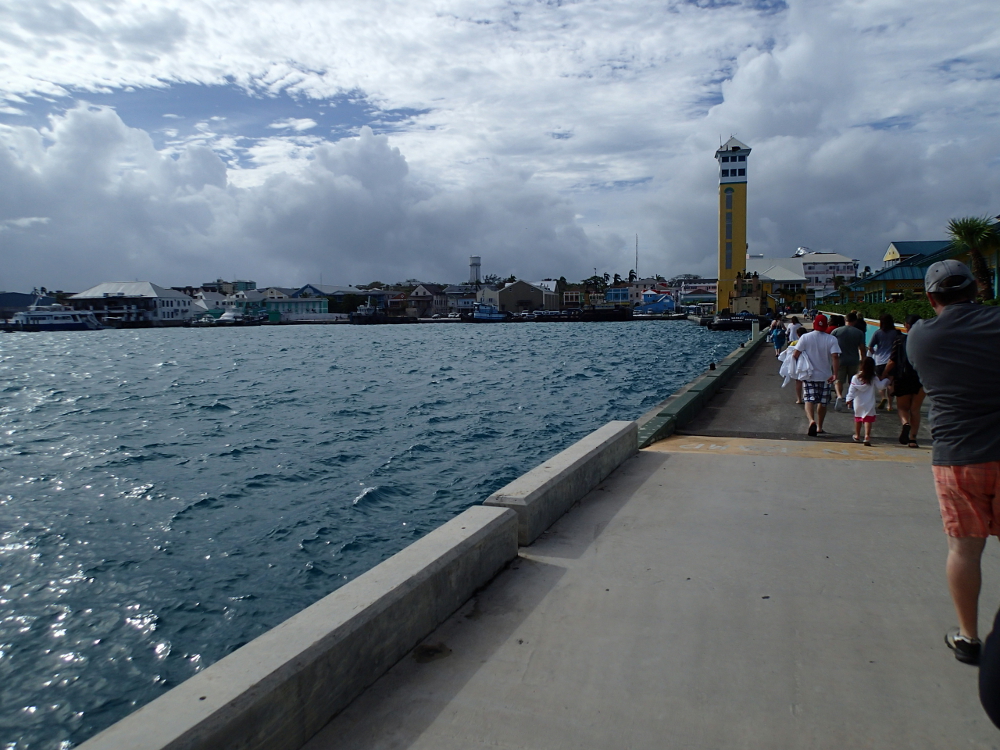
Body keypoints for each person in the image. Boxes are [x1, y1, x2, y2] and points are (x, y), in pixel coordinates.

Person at [907, 259, 1000, 666]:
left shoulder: (921, 338)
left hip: (957, 456)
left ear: (931, 297)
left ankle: (968, 637)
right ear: (976, 289)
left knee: (963, 550)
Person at [882, 314, 924, 448]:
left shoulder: (900, 340)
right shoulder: (926, 341)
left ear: (906, 325)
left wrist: (883, 374)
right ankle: (913, 439)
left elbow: (892, 361)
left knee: (902, 408)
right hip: (920, 379)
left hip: (902, 378)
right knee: (915, 409)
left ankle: (906, 423)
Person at [792, 324, 841, 436]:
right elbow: (835, 357)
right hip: (825, 376)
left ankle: (811, 421)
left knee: (809, 399)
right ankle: (819, 426)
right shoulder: (831, 339)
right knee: (822, 402)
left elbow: (795, 354)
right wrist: (835, 374)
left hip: (809, 375)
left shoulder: (805, 337)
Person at [845, 357, 890, 446]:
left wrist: (849, 399)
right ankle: (867, 436)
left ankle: (857, 435)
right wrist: (887, 380)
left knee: (858, 418)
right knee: (868, 419)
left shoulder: (855, 377)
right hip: (869, 401)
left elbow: (852, 390)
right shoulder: (873, 378)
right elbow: (880, 387)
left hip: (858, 401)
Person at [831, 313, 866, 411]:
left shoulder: (836, 331)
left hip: (839, 360)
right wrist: (863, 361)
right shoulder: (859, 333)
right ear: (855, 321)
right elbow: (862, 349)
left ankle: (839, 396)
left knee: (838, 380)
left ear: (845, 320)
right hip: (854, 360)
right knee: (853, 382)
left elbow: (830, 346)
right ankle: (850, 402)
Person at [868, 314, 901, 411]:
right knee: (891, 384)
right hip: (892, 361)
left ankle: (883, 398)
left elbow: (870, 347)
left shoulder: (878, 333)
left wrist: (875, 353)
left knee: (880, 383)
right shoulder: (896, 333)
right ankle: (890, 405)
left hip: (879, 361)